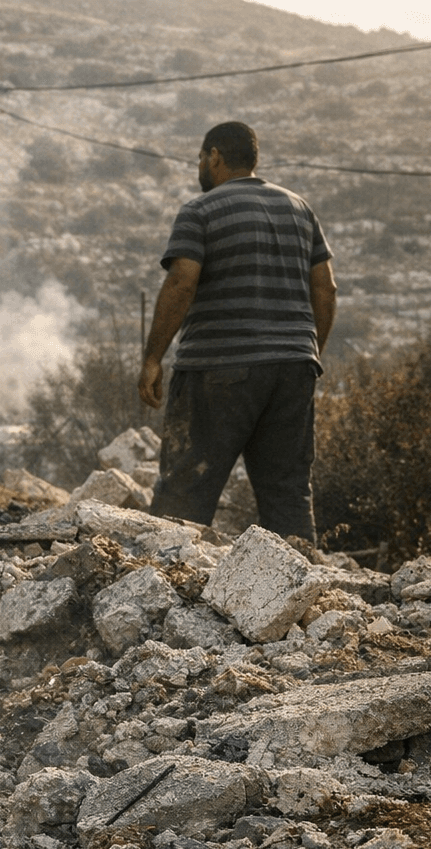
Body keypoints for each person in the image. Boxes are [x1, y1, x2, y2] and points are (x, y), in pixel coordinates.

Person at [139, 121, 337, 544]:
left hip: (218, 368)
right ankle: (300, 597)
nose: (199, 166)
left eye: (199, 158)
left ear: (214, 156)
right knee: (287, 494)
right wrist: (305, 351)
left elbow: (181, 283)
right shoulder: (300, 208)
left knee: (186, 490)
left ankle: (160, 589)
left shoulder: (200, 211)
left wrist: (152, 358)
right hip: (293, 368)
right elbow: (326, 287)